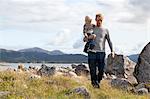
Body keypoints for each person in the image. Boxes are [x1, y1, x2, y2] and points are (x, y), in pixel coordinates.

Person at [87, 13, 115, 88]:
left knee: (101, 71)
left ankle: (97, 82)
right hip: (91, 52)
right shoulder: (91, 28)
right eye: (97, 20)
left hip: (101, 53)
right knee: (92, 70)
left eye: (100, 20)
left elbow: (109, 41)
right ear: (95, 20)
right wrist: (89, 37)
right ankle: (94, 84)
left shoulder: (106, 30)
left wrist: (112, 51)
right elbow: (85, 38)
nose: (99, 21)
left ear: (102, 20)